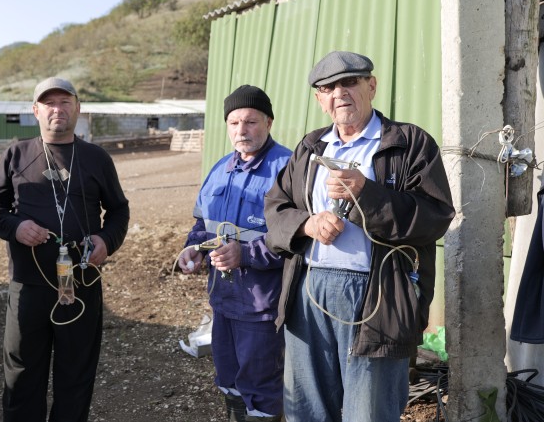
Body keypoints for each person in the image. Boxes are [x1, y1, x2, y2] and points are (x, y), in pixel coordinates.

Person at [262, 51, 455, 422]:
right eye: (328, 88)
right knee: (307, 409)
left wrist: (367, 193)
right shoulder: (311, 147)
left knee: (369, 411)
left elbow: (436, 215)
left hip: (379, 295)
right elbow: (276, 208)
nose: (339, 93)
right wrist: (307, 225)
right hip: (310, 291)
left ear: (372, 86)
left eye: (349, 82)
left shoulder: (408, 143)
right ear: (319, 100)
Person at [0, 77, 130, 422]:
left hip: (81, 282)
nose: (57, 109)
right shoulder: (16, 155)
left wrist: (106, 240)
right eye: (49, 103)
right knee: (22, 372)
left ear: (78, 108)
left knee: (76, 373)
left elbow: (118, 210)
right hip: (29, 285)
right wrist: (16, 227)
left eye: (65, 102)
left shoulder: (96, 158)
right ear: (35, 110)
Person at [177, 85, 291, 422]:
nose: (242, 130)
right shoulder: (220, 169)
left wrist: (247, 254)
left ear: (268, 122)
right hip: (222, 299)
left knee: (261, 387)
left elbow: (296, 238)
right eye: (234, 122)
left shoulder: (287, 169)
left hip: (263, 304)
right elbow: (203, 223)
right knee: (228, 379)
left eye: (251, 121)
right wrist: (194, 248)